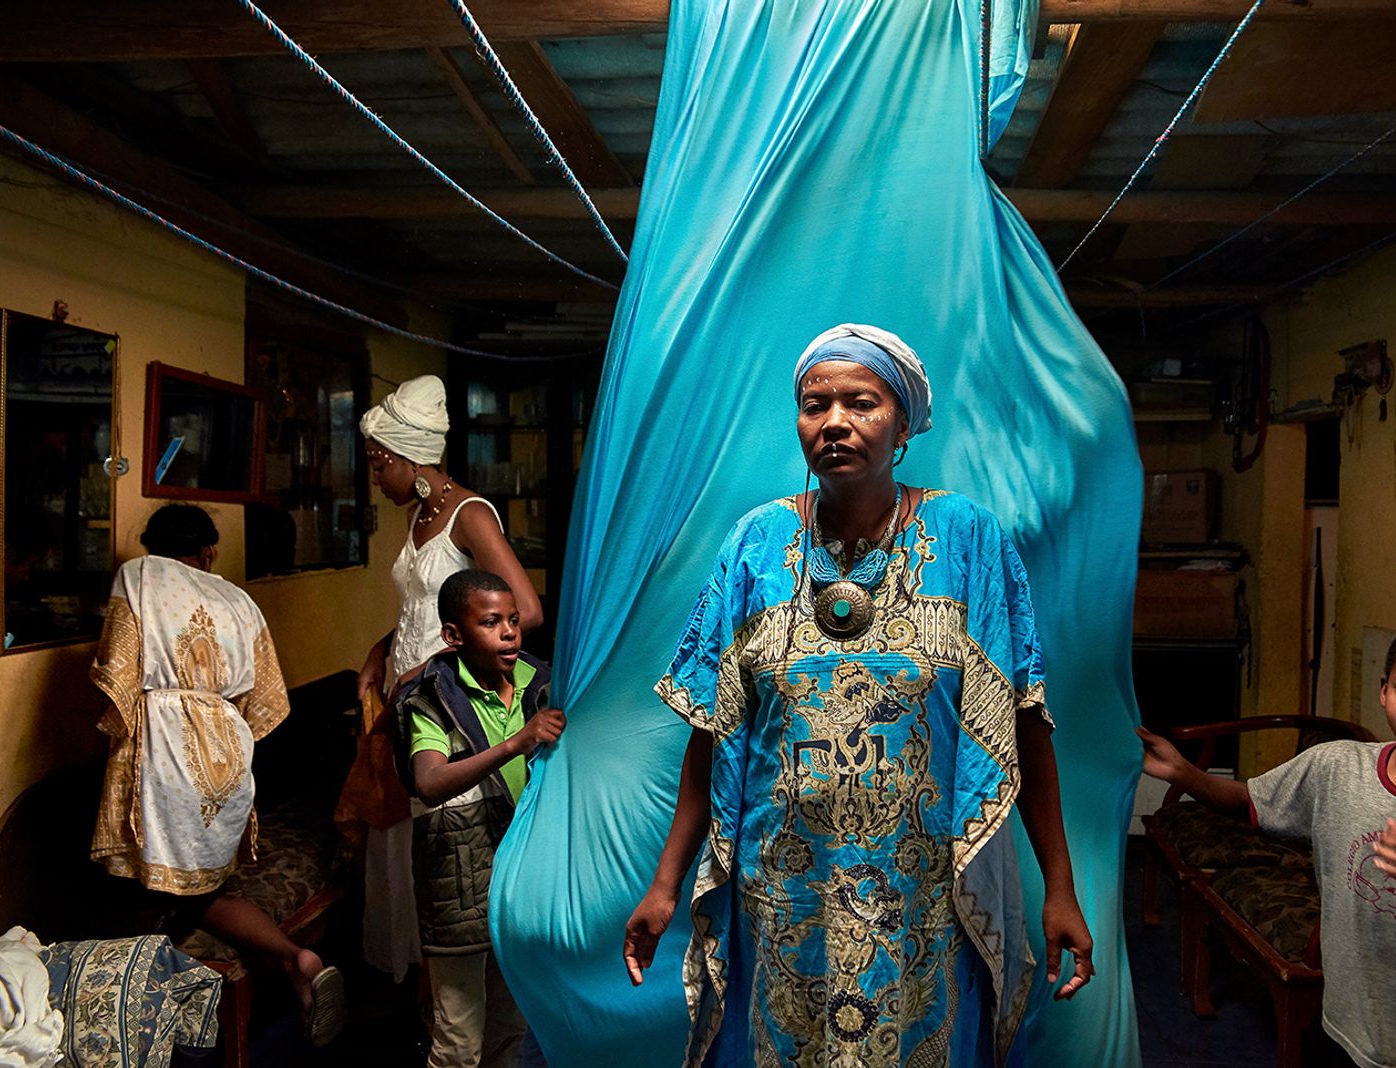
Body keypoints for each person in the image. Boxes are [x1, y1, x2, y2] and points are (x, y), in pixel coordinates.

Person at [622, 324, 1093, 1066]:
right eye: (816, 406)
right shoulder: (754, 545)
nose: (834, 422)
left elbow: (1021, 723)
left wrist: (1059, 887)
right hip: (784, 888)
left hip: (924, 897)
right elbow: (714, 732)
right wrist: (664, 884)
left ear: (903, 425)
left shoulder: (968, 539)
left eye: (861, 403)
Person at [1138, 615, 1396, 1068]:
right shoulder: (1337, 767)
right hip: (1349, 1028)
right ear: (1383, 690)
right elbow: (1251, 802)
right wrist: (1183, 773)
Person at [90, 504, 344, 1045]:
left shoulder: (138, 575)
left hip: (165, 750)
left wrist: (129, 729)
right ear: (208, 552)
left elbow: (118, 667)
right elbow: (265, 702)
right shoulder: (239, 600)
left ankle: (130, 1018)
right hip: (227, 750)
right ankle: (296, 958)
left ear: (152, 545)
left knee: (144, 886)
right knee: (204, 890)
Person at [353, 374, 544, 980]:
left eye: (378, 464)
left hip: (450, 700)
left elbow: (525, 610)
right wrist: (381, 650)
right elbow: (424, 608)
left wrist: (433, 666)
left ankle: (466, 988)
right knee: (409, 839)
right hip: (411, 697)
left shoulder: (469, 514)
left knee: (450, 838)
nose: (375, 478)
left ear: (409, 459)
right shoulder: (417, 517)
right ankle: (425, 988)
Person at [388, 569, 567, 1068]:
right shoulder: (432, 697)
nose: (509, 632)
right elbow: (429, 781)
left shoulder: (541, 681)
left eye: (513, 620)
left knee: (512, 1027)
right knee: (459, 1040)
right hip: (459, 878)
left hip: (522, 873)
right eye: (490, 622)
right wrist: (516, 743)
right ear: (453, 635)